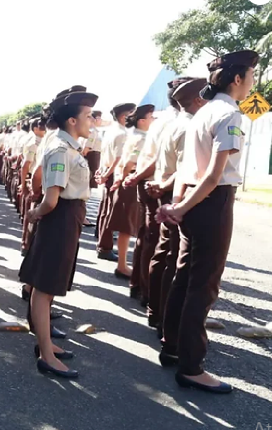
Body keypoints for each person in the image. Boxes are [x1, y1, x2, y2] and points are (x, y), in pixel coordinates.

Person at [157, 50, 259, 394]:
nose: (253, 83)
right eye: (251, 76)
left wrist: (178, 205)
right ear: (236, 79)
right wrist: (182, 207)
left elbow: (189, 169)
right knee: (204, 285)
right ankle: (191, 366)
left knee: (185, 278)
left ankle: (172, 346)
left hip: (194, 202)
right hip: (211, 204)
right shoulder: (229, 115)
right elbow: (214, 176)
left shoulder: (203, 113)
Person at [20, 88, 98, 379]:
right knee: (43, 288)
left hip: (68, 217)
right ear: (72, 121)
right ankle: (46, 355)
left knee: (49, 286)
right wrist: (33, 213)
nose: (92, 121)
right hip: (59, 219)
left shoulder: (70, 147)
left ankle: (47, 344)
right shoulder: (59, 150)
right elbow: (50, 199)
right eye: (87, 116)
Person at [146, 78, 207, 335]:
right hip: (176, 194)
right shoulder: (188, 126)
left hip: (166, 189)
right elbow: (184, 169)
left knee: (163, 254)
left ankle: (156, 312)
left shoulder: (171, 124)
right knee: (175, 260)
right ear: (197, 99)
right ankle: (165, 319)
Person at [110, 104, 154, 296]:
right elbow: (129, 163)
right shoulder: (141, 139)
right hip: (132, 184)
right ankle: (122, 265)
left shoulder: (132, 135)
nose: (154, 120)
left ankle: (123, 264)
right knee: (128, 227)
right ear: (142, 121)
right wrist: (127, 177)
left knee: (127, 227)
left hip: (126, 182)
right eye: (151, 117)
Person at [96, 103, 135, 270]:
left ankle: (102, 244)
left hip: (108, 170)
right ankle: (105, 247)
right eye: (131, 114)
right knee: (112, 210)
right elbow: (119, 159)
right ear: (123, 117)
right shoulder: (121, 133)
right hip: (115, 172)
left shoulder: (112, 131)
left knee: (106, 208)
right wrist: (108, 173)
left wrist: (102, 171)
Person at [20, 116, 47, 256]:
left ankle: (29, 244)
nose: (44, 130)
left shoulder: (42, 141)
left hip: (39, 179)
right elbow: (26, 165)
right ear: (35, 129)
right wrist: (23, 183)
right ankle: (26, 244)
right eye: (41, 127)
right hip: (34, 179)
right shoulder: (33, 143)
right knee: (31, 215)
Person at [80, 110, 102, 226]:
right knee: (86, 189)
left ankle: (82, 215)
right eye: (99, 118)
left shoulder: (91, 131)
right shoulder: (92, 132)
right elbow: (85, 149)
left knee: (86, 189)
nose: (100, 120)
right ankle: (82, 217)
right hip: (91, 159)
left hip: (92, 159)